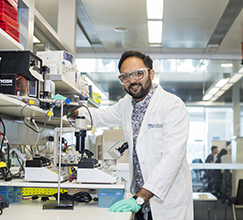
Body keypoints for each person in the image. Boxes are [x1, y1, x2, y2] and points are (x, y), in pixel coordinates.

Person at [69, 50, 193, 220]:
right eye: (125, 77)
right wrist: (71, 111)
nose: (132, 81)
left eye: (138, 74)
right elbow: (100, 116)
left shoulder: (172, 106)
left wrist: (142, 196)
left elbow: (172, 158)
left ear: (151, 73)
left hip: (164, 201)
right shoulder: (126, 104)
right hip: (139, 202)